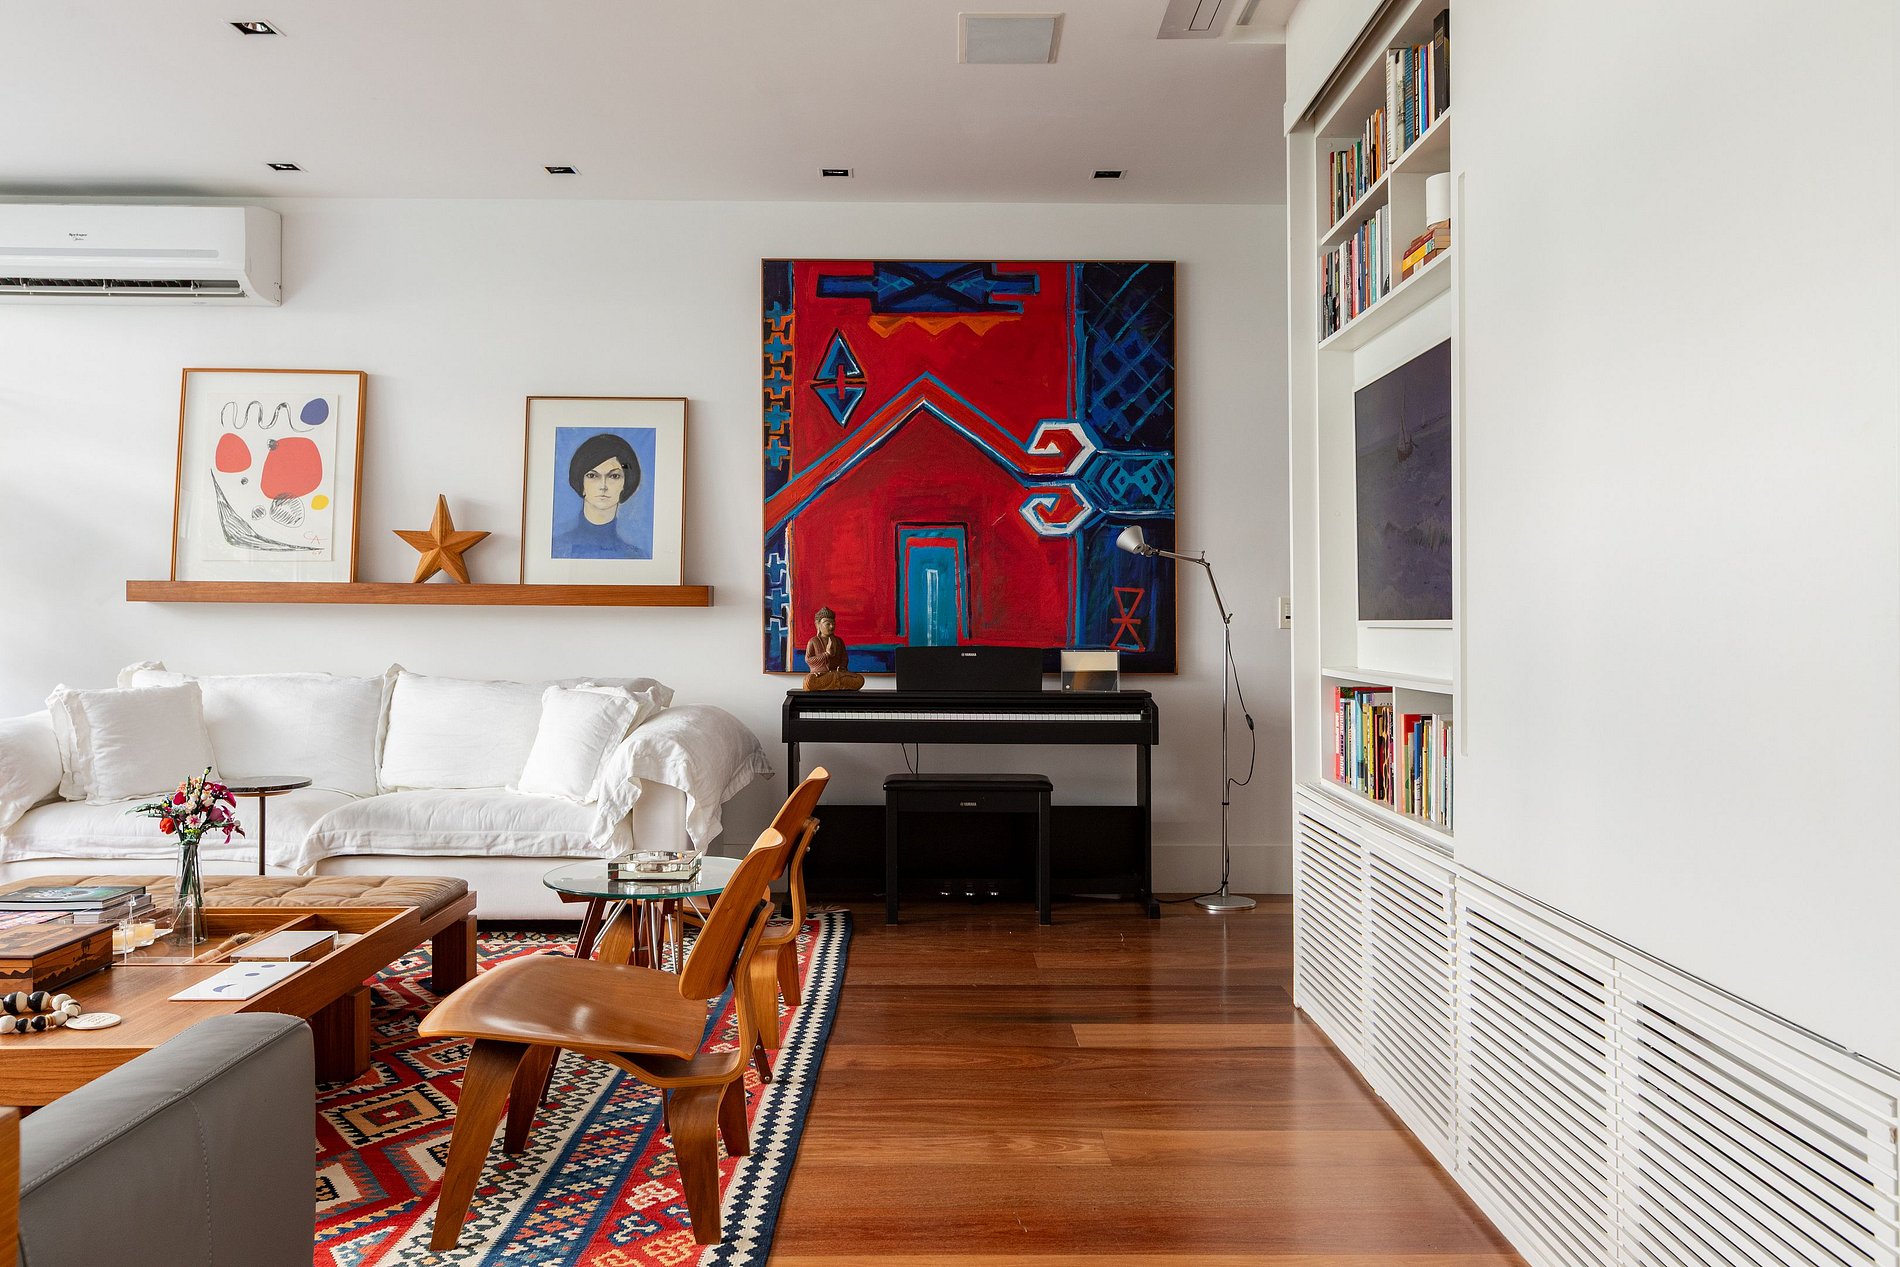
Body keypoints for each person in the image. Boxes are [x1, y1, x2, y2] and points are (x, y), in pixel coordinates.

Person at [552, 432, 645, 559]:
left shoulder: (635, 556)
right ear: (581, 483)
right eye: (592, 476)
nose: (603, 486)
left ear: (625, 483)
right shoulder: (557, 548)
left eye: (614, 476)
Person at [802, 606, 865, 691]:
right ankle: (837, 684)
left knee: (859, 679)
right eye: (828, 624)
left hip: (838, 674)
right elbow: (808, 660)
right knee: (809, 681)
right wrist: (826, 654)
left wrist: (842, 667)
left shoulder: (839, 641)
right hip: (822, 675)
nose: (831, 626)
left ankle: (835, 684)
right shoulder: (813, 641)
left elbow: (844, 658)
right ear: (818, 625)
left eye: (833, 624)